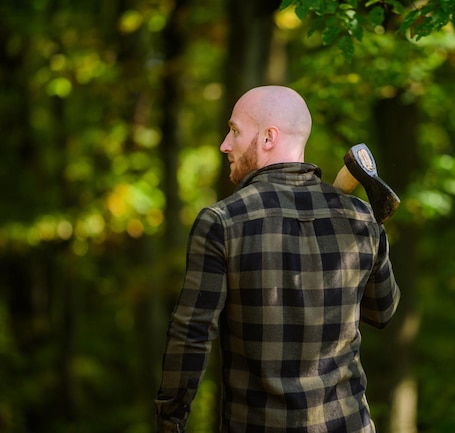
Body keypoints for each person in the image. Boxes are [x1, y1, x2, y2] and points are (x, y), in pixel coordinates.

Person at [154, 85, 400, 433]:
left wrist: (170, 421)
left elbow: (191, 336)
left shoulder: (223, 222)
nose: (225, 144)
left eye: (235, 131)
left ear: (269, 137)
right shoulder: (361, 219)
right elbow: (383, 311)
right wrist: (372, 234)